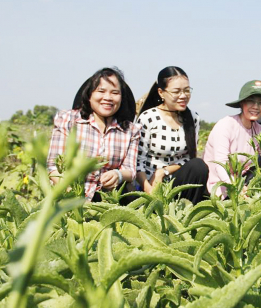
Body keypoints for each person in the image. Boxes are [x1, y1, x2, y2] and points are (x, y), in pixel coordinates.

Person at [47, 67, 141, 201]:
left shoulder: (130, 130)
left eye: (115, 92)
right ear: (90, 95)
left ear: (122, 97)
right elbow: (53, 167)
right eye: (101, 91)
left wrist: (117, 174)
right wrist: (72, 195)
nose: (107, 98)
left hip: (108, 197)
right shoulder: (69, 120)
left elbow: (130, 171)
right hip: (69, 194)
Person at [136, 66, 208, 204]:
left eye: (187, 90)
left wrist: (164, 171)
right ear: (161, 93)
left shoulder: (193, 118)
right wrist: (148, 189)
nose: (183, 96)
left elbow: (188, 157)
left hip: (174, 179)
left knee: (198, 166)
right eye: (176, 91)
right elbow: (138, 161)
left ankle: (187, 211)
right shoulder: (148, 118)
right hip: (149, 182)